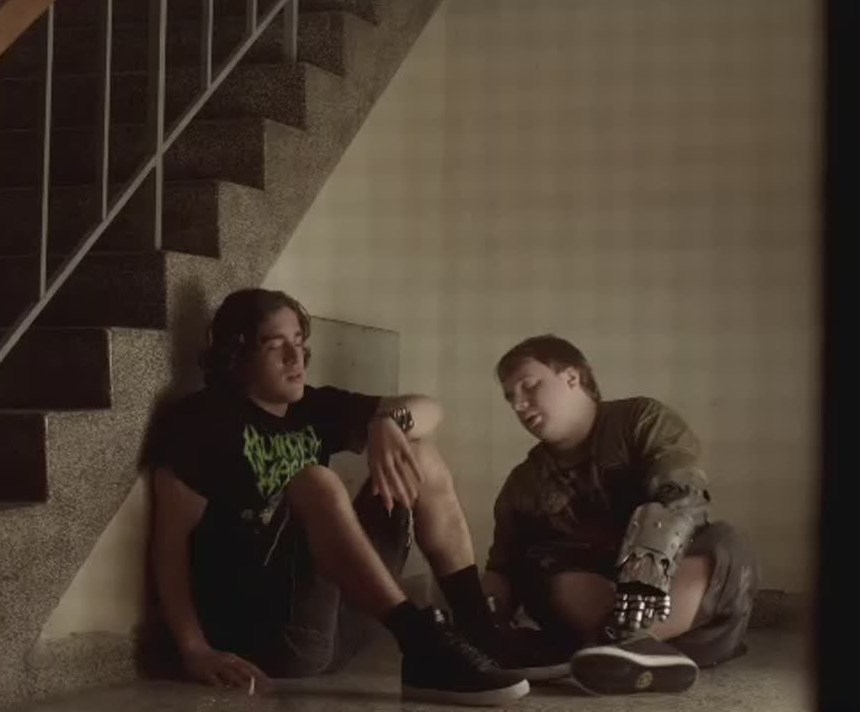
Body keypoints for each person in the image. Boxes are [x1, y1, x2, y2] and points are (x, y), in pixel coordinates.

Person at [144, 288, 568, 707]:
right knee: (318, 481)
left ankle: (479, 631)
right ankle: (423, 644)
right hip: (270, 637)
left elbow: (431, 408)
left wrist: (389, 421)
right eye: (275, 346)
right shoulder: (203, 420)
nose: (295, 358)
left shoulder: (312, 407)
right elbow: (169, 544)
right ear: (237, 355)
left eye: (299, 342)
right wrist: (194, 649)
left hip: (339, 627)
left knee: (419, 453)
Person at [482, 334, 760, 696]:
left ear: (572, 377)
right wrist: (479, 619)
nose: (519, 404)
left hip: (678, 612)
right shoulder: (524, 482)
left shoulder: (641, 419)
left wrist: (641, 576)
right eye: (510, 397)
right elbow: (502, 569)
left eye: (529, 386)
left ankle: (627, 645)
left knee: (726, 544)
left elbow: (682, 495)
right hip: (586, 608)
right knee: (543, 564)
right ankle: (625, 651)